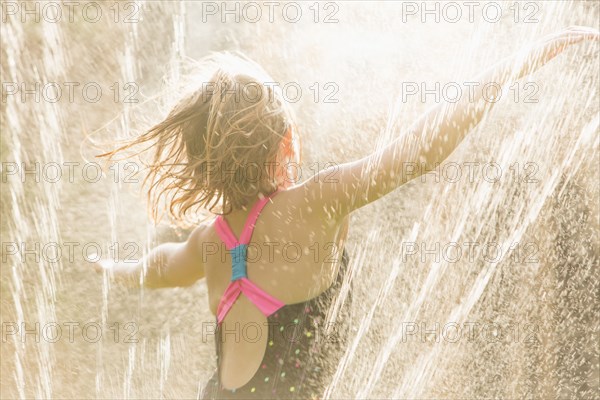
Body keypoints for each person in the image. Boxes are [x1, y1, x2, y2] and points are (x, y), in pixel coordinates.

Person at [93, 27, 599, 399]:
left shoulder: (210, 240)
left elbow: (158, 270)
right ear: (286, 142)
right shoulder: (316, 201)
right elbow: (417, 152)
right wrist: (513, 67)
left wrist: (114, 271)